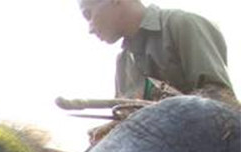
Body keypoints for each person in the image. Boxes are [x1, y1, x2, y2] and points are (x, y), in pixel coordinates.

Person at [80, 0, 234, 101]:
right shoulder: (123, 62)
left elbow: (220, 102)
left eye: (88, 14)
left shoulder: (182, 24)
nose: (90, 29)